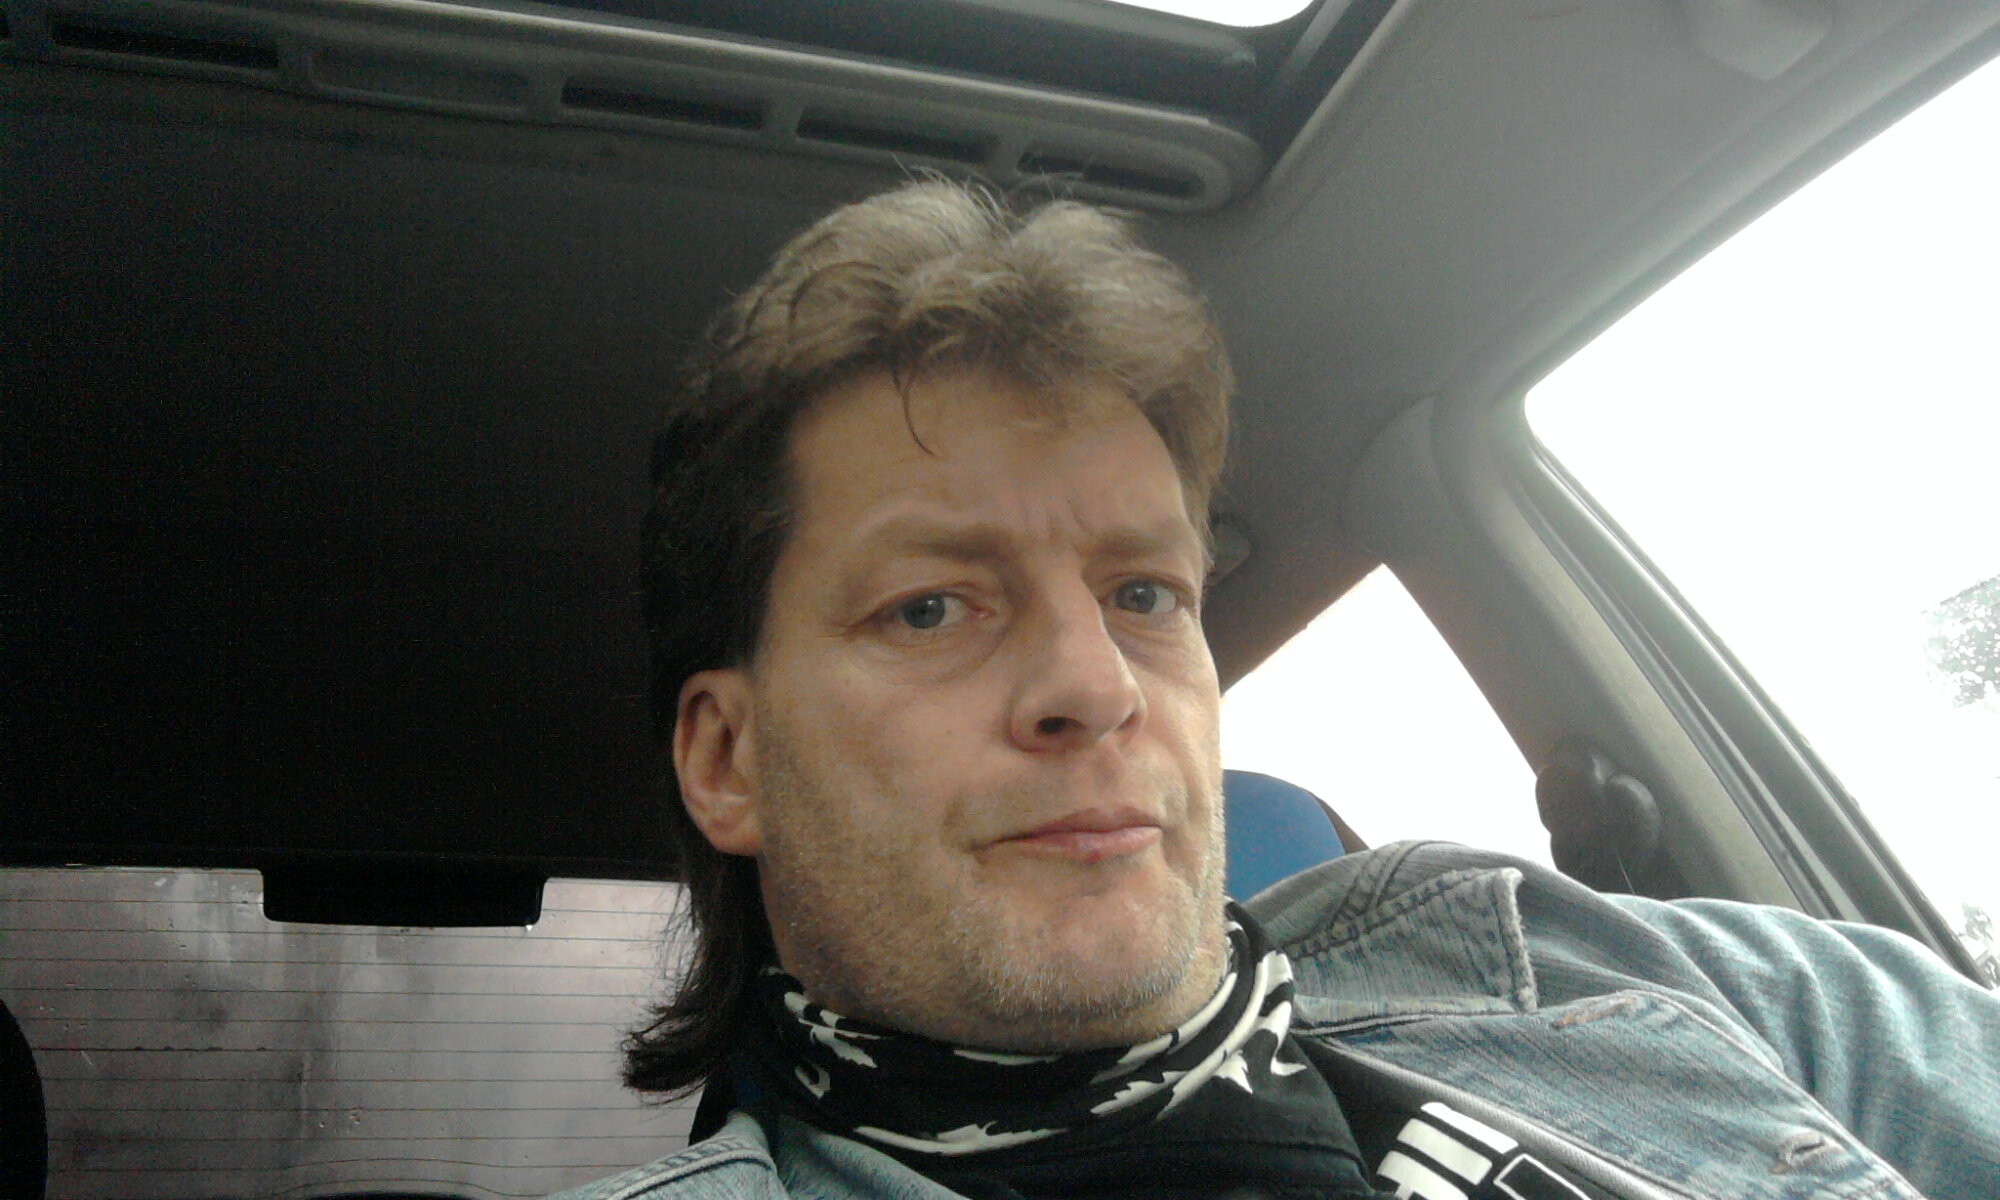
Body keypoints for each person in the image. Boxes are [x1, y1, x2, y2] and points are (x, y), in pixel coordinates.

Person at [558, 181, 2000, 1200]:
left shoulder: (1587, 961)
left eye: (1143, 595)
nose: (1097, 686)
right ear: (729, 759)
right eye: (930, 606)